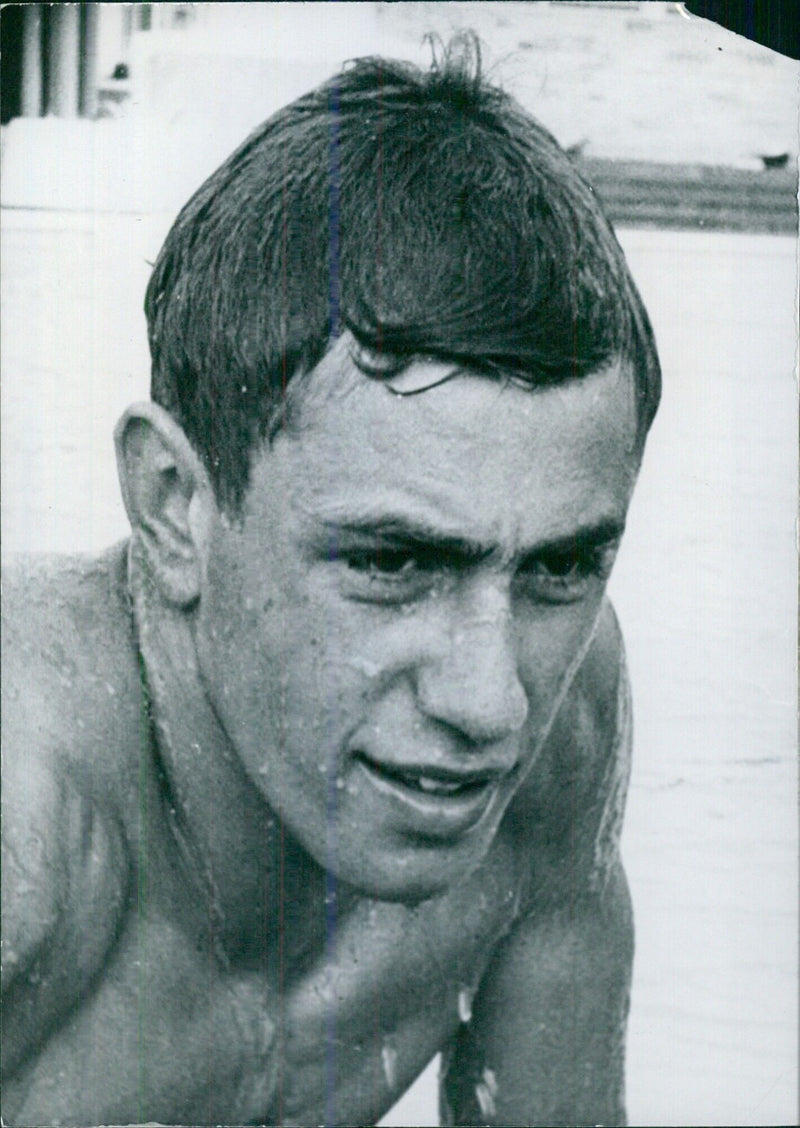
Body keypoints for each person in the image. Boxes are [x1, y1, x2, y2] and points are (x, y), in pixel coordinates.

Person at [1, 38, 660, 1127]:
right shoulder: (27, 823)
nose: (489, 703)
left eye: (560, 565)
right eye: (392, 563)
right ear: (175, 504)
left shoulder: (565, 719)